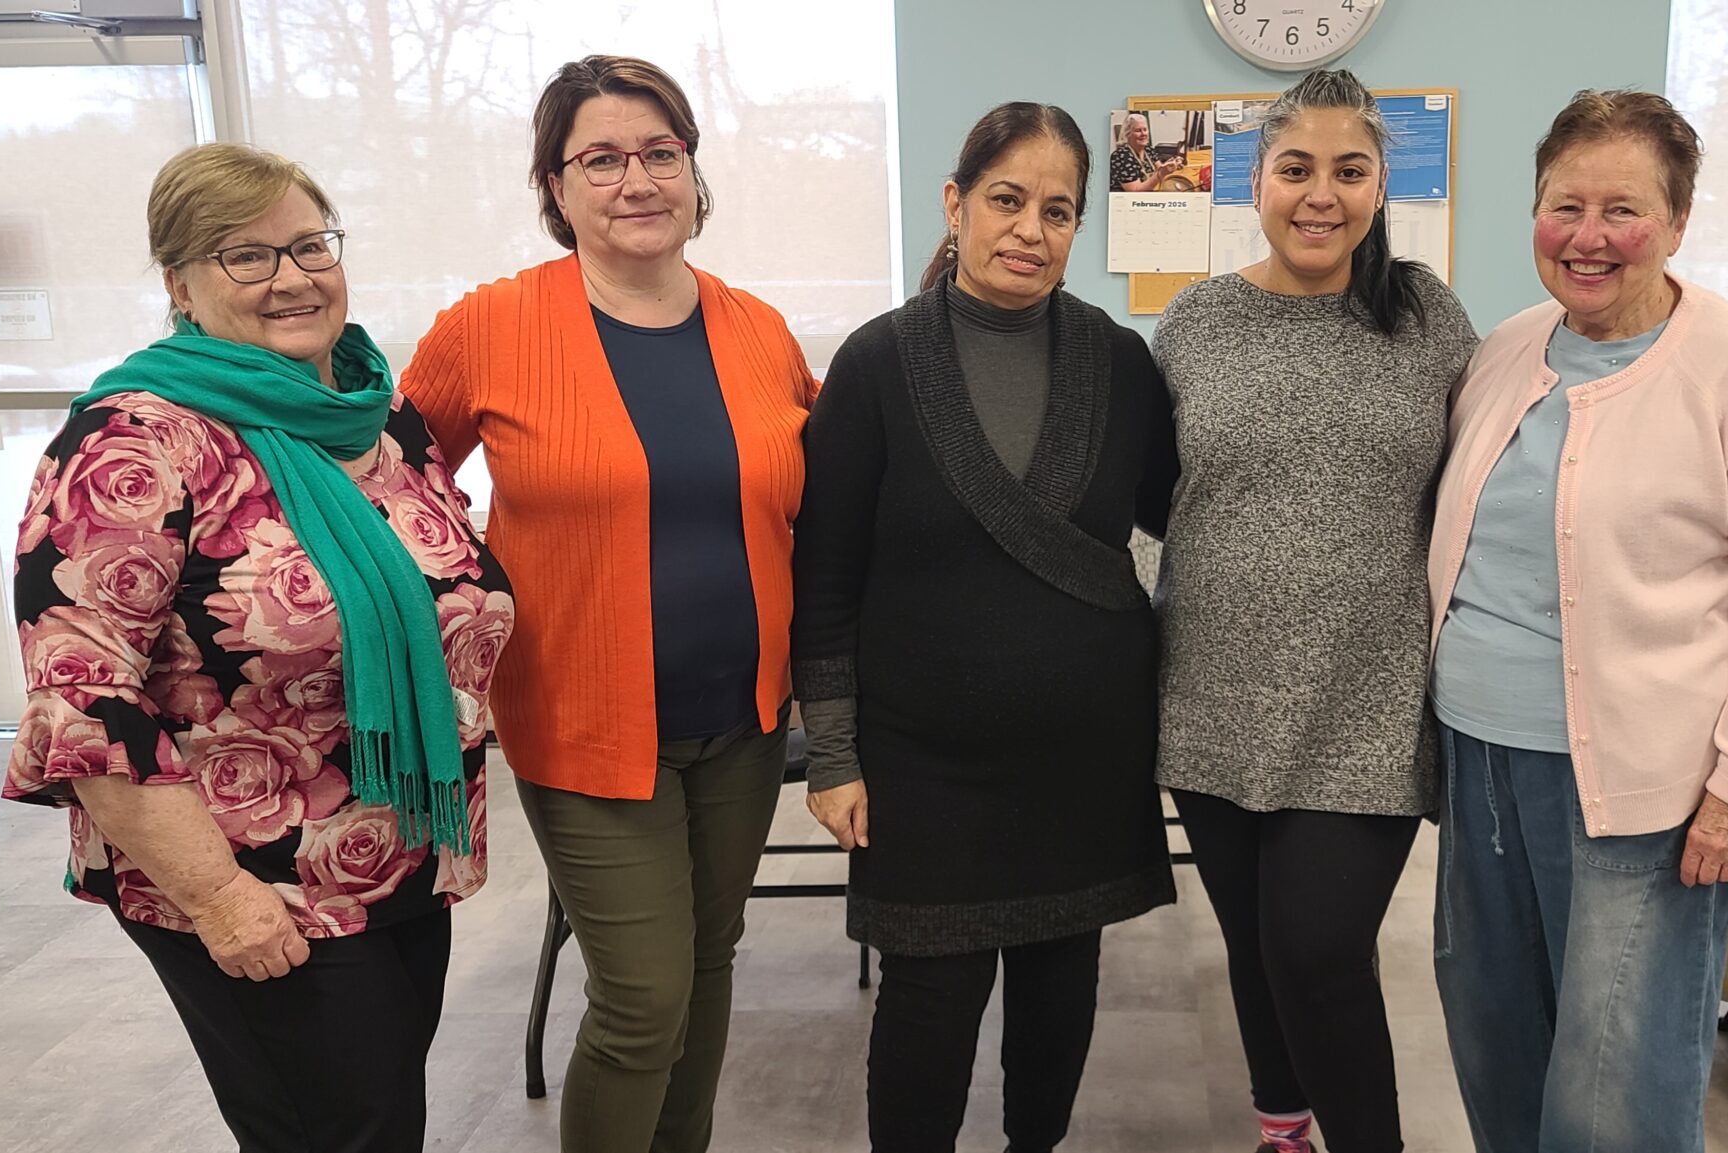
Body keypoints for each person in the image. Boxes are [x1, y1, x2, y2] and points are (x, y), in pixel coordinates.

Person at [1, 142, 513, 1152]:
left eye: (310, 245)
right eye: (246, 255)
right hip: (247, 873)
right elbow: (84, 700)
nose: (292, 277)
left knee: (376, 1121)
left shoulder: (375, 415)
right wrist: (219, 897)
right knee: (342, 1131)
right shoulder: (131, 441)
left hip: (395, 852)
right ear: (178, 283)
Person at [400, 55, 817, 1153]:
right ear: (556, 185)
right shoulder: (492, 325)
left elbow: (820, 488)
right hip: (583, 723)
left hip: (744, 719)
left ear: (691, 169)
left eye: (659, 153)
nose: (637, 180)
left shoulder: (757, 329)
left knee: (708, 966)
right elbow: (397, 494)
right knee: (641, 998)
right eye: (600, 159)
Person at [1426, 90, 1728, 1153]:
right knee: (1495, 1038)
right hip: (1479, 758)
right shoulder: (1507, 350)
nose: (1589, 236)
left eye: (1623, 209)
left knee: (1617, 1080)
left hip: (1646, 784)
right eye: (1564, 206)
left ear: (1677, 221)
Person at [794, 101, 1178, 1153]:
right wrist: (834, 752)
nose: (1029, 230)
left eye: (1058, 211)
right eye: (1007, 199)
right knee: (931, 996)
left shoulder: (1119, 361)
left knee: (1060, 982)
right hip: (922, 756)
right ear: (955, 203)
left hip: (1084, 747)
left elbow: (1187, 509)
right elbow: (823, 575)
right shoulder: (876, 365)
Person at [1150, 69, 1478, 1153]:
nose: (1320, 194)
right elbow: (1155, 492)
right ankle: (1282, 1131)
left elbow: (1480, 485)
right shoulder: (1194, 322)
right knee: (1256, 945)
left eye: (1349, 170)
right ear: (1256, 181)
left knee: (1316, 949)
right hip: (1211, 695)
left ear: (1381, 186)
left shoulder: (1425, 316)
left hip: (1365, 702)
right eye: (1296, 168)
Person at [1110, 112, 1186, 191]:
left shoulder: (1148, 149)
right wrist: (1161, 173)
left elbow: (1159, 168)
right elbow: (1135, 191)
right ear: (1128, 133)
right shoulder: (1121, 156)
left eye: (1145, 130)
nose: (1143, 134)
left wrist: (1171, 164)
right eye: (1138, 130)